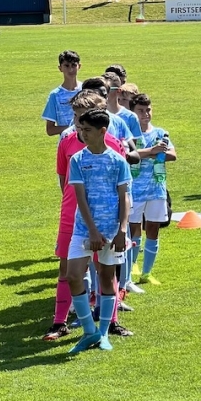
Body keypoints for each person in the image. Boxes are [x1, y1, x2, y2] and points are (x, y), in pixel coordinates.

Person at [43, 90, 129, 342]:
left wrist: (120, 225)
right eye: (76, 117)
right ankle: (60, 322)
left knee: (106, 270)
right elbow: (63, 178)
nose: (79, 125)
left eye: (84, 118)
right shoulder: (67, 141)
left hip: (106, 219)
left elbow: (122, 188)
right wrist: (70, 205)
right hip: (73, 215)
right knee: (67, 269)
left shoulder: (113, 145)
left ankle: (110, 322)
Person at [64, 107, 132, 354]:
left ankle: (103, 333)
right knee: (73, 275)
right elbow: (81, 198)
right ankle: (88, 331)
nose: (82, 134)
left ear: (102, 131)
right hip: (84, 229)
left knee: (106, 277)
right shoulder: (78, 160)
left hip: (112, 231)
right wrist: (92, 231)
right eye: (80, 129)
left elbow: (125, 197)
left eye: (87, 130)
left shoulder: (118, 161)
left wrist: (122, 231)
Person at [128, 93, 176, 287]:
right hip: (134, 189)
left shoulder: (160, 133)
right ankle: (130, 269)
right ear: (132, 112)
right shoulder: (130, 134)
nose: (145, 114)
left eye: (148, 110)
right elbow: (127, 155)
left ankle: (147, 273)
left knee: (153, 229)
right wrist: (152, 152)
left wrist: (157, 154)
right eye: (140, 110)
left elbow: (172, 155)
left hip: (156, 189)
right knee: (133, 230)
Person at [42, 50, 82, 136]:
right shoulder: (55, 95)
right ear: (60, 68)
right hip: (67, 141)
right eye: (67, 66)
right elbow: (50, 130)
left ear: (79, 66)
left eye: (74, 65)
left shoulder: (86, 90)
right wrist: (74, 128)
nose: (71, 69)